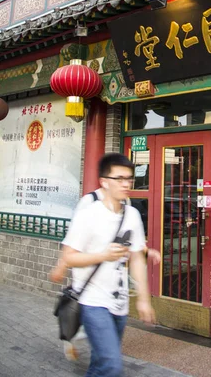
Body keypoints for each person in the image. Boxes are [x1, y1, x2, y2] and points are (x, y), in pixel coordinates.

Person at [60, 153, 155, 377]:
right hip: (92, 302)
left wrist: (143, 299)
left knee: (100, 363)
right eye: (119, 178)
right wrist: (103, 255)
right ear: (104, 181)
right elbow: (69, 257)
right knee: (112, 365)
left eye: (129, 178)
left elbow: (137, 259)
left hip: (119, 303)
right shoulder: (88, 215)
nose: (126, 184)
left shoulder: (132, 215)